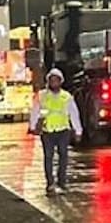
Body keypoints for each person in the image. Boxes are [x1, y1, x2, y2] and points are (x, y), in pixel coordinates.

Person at [30, 66, 82, 194]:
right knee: (48, 157)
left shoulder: (66, 97)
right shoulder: (42, 96)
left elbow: (74, 114)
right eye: (51, 80)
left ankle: (62, 182)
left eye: (56, 80)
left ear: (60, 81)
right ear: (48, 81)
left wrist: (78, 130)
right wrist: (33, 126)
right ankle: (50, 183)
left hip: (63, 130)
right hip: (47, 131)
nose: (54, 83)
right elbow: (35, 111)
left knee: (63, 156)